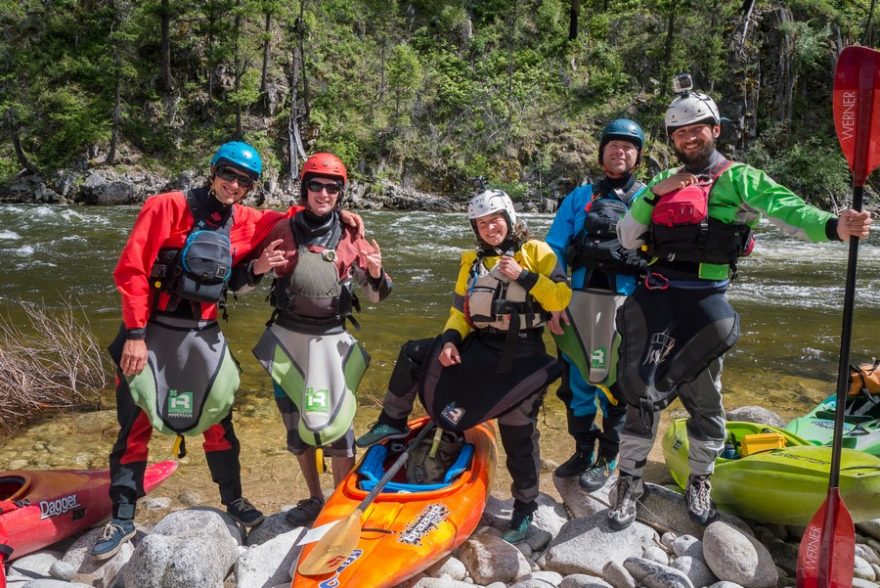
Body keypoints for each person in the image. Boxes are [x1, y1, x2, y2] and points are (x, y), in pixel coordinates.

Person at [607, 85, 873, 530]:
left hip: (704, 300)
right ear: (672, 140)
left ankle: (700, 478)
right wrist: (655, 194)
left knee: (705, 396)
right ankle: (629, 481)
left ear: (715, 130)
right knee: (640, 391)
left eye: (697, 129)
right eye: (679, 132)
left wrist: (835, 226)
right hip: (658, 295)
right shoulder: (661, 181)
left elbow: (787, 211)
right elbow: (628, 237)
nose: (689, 137)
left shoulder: (740, 178)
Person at [94, 142, 362, 560]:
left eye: (244, 181)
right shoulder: (166, 207)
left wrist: (340, 217)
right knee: (135, 420)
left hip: (203, 331)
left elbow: (300, 217)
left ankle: (233, 499)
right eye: (228, 174)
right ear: (214, 170)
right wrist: (134, 334)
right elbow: (131, 271)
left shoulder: (247, 220)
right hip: (153, 330)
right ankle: (123, 516)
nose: (234, 185)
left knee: (219, 416)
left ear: (251, 187)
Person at [356, 189, 571, 544]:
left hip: (523, 354)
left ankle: (524, 508)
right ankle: (391, 422)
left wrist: (524, 276)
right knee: (414, 353)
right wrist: (451, 341)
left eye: (495, 220)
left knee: (518, 432)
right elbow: (460, 313)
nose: (490, 228)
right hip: (481, 346)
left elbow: (561, 298)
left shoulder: (537, 252)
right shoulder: (471, 262)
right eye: (481, 223)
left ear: (510, 218)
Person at [250, 152, 392, 527]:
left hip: (331, 341)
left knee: (339, 426)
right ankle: (315, 498)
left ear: (340, 193)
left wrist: (376, 273)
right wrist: (257, 268)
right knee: (297, 427)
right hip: (287, 341)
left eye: (332, 188)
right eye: (316, 185)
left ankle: (341, 503)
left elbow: (375, 296)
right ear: (305, 188)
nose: (324, 193)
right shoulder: (282, 228)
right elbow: (245, 280)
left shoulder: (351, 234)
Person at [545, 119, 646, 491]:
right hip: (577, 300)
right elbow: (554, 250)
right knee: (576, 381)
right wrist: (555, 298)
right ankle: (584, 449)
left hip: (626, 303)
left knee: (617, 384)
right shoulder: (579, 197)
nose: (620, 151)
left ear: (637, 156)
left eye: (628, 146)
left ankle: (609, 455)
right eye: (613, 145)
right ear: (602, 153)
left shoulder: (648, 199)